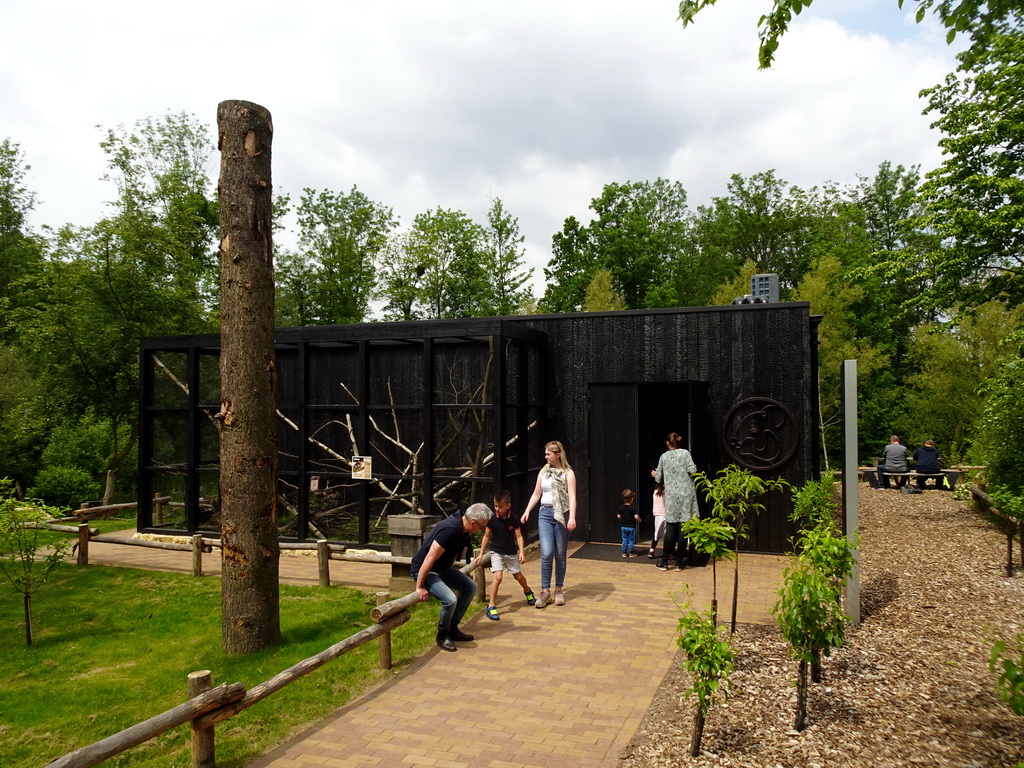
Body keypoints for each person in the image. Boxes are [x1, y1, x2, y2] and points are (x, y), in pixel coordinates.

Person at [412, 503, 492, 652]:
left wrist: (450, 571)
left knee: (471, 587)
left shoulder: (464, 529)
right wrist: (419, 586)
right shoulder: (449, 530)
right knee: (450, 600)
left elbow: (454, 552)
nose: (481, 531)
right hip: (426, 570)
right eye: (481, 527)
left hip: (443, 568)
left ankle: (452, 628)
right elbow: (429, 558)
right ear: (473, 522)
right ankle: (442, 634)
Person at [521, 440, 577, 608]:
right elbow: (536, 494)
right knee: (546, 553)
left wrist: (572, 517)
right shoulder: (543, 472)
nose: (545, 456)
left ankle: (558, 590)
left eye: (548, 454)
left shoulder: (568, 473)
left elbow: (572, 497)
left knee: (560, 553)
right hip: (545, 513)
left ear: (557, 454)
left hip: (562, 514)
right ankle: (545, 591)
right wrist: (527, 510)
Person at [474, 489, 536, 620]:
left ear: (508, 506)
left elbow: (519, 536)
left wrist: (522, 552)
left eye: (500, 506)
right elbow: (486, 536)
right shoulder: (491, 519)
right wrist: (480, 553)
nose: (497, 509)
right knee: (498, 577)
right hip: (496, 552)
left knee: (518, 576)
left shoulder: (513, 519)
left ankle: (528, 591)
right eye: (495, 506)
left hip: (511, 553)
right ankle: (491, 606)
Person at [654, 432, 699, 572]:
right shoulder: (685, 454)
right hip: (686, 494)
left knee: (671, 527)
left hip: (672, 496)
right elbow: (693, 470)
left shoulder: (664, 457)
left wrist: (656, 475)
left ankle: (665, 561)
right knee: (684, 528)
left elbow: (659, 478)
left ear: (668, 443)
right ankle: (680, 563)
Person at [618, 488, 641, 557]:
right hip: (631, 527)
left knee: (624, 539)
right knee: (631, 539)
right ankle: (631, 552)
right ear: (631, 499)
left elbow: (618, 516)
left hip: (623, 526)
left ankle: (624, 552)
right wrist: (639, 519)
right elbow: (636, 517)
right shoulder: (633, 508)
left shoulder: (621, 507)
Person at [648, 479, 666, 559]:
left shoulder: (655, 491)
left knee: (656, 533)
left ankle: (652, 550)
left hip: (657, 514)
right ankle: (667, 552)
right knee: (667, 534)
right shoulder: (666, 491)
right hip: (666, 514)